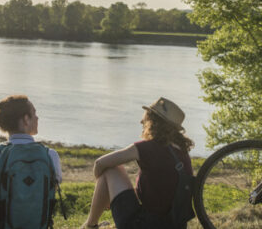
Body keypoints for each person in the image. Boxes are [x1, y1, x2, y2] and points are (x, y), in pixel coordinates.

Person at [81, 97, 195, 229]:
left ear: (154, 122)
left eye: (146, 118)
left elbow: (99, 163)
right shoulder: (182, 153)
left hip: (142, 225)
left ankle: (90, 225)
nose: (141, 121)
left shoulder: (146, 147)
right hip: (175, 225)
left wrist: (104, 191)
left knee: (111, 169)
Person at [0, 95, 63, 229]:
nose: (37, 118)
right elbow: (53, 188)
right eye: (34, 113)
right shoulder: (50, 155)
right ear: (26, 119)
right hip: (39, 226)